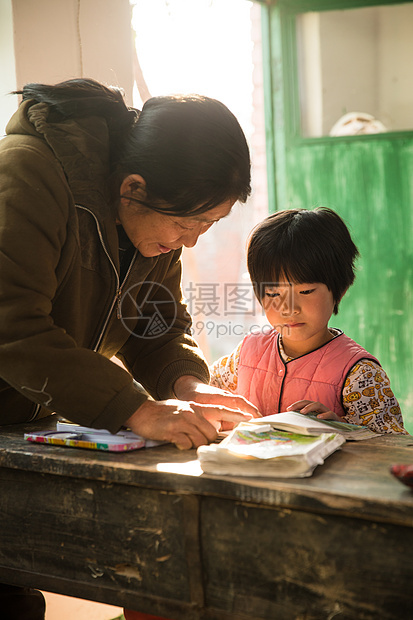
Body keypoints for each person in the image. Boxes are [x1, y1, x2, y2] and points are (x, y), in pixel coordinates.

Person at [0, 78, 259, 619]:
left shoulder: (150, 222)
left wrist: (189, 385)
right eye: (187, 222)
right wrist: (134, 409)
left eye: (206, 226)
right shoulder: (28, 173)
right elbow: (11, 325)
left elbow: (155, 325)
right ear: (134, 188)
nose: (190, 241)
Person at [210, 207, 408, 435]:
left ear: (339, 291)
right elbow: (207, 392)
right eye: (273, 294)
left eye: (305, 291)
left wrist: (343, 428)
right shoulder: (246, 353)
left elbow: (393, 445)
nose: (288, 308)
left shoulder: (359, 374)